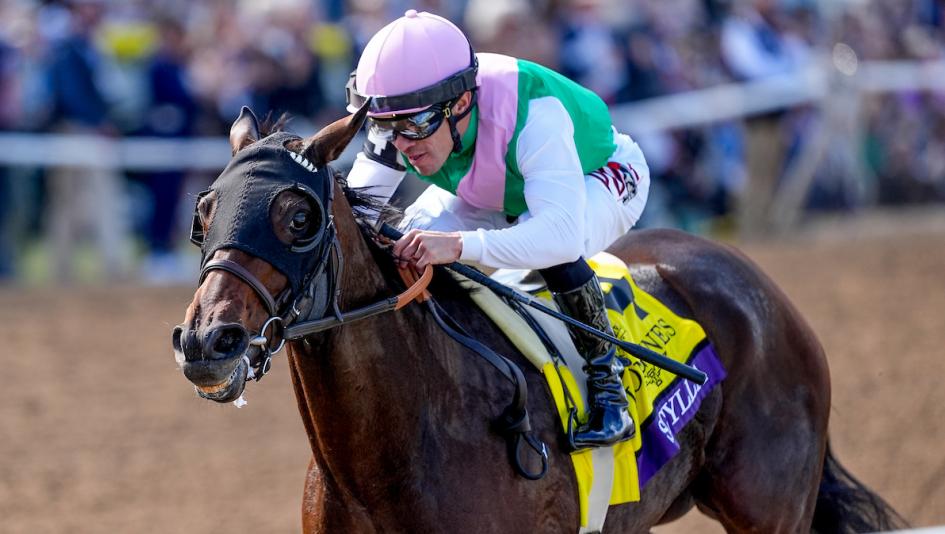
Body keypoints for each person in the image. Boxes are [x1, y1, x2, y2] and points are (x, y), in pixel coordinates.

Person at [345, 10, 650, 450]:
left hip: (598, 174)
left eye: (414, 125)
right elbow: (356, 215)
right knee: (405, 245)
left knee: (551, 249)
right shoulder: (402, 111)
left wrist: (458, 246)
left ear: (461, 104)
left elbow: (559, 236)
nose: (401, 143)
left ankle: (609, 387)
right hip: (496, 186)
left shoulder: (535, 114)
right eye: (384, 126)